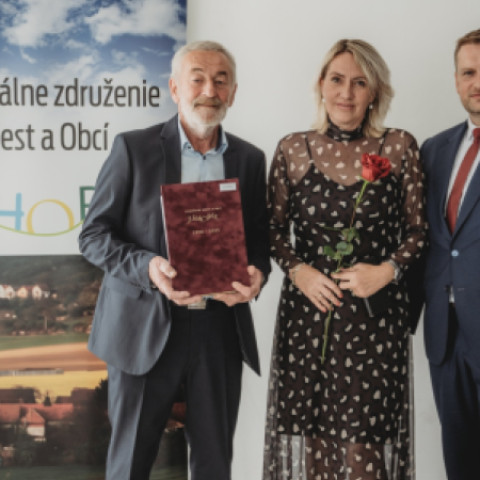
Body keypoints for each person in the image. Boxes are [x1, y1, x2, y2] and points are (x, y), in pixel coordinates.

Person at [78, 40, 270, 480]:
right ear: (174, 88)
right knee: (130, 464)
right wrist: (148, 267)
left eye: (221, 80)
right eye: (197, 79)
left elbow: (259, 241)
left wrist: (257, 273)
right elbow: (93, 236)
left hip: (218, 330)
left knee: (214, 465)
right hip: (142, 328)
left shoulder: (250, 159)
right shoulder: (133, 148)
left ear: (233, 92)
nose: (210, 90)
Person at [263, 39, 426, 480]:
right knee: (315, 450)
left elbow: (419, 232)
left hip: (374, 324)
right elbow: (272, 230)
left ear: (375, 92)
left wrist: (387, 271)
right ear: (321, 84)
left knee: (362, 456)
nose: (347, 93)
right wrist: (299, 272)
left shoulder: (398, 147)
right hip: (308, 319)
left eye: (360, 82)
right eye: (337, 79)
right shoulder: (292, 149)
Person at [421, 28, 480, 480]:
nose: (477, 83)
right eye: (468, 73)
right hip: (445, 333)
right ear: (456, 79)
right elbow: (428, 239)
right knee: (459, 461)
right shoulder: (435, 149)